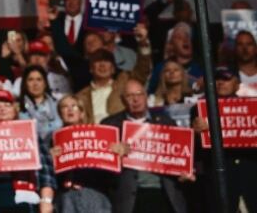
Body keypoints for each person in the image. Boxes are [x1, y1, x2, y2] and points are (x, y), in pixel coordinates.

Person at [101, 79, 189, 212]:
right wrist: (112, 154)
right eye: (130, 96)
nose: (136, 100)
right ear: (122, 100)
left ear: (146, 96)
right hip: (129, 198)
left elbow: (181, 157)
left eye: (139, 94)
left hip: (164, 193)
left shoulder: (165, 121)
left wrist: (185, 171)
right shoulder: (110, 125)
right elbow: (100, 164)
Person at [0, 89, 56, 213]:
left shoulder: (29, 132)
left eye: (7, 105)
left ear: (15, 109)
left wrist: (46, 201)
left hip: (26, 196)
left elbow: (46, 173)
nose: (2, 109)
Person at [191, 66, 257, 212]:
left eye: (226, 78)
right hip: (219, 181)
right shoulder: (198, 109)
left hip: (251, 178)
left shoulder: (253, 107)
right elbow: (196, 154)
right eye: (216, 79)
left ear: (237, 84)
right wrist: (197, 135)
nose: (220, 82)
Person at [49, 95, 116, 212]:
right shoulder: (52, 139)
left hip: (94, 193)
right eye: (65, 107)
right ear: (60, 114)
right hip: (66, 196)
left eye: (74, 106)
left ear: (82, 113)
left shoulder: (98, 134)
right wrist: (50, 159)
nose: (70, 110)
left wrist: (115, 152)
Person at [147, 22, 202, 94]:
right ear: (172, 44)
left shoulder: (203, 67)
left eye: (187, 36)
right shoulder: (161, 68)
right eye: (179, 37)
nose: (185, 40)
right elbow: (151, 94)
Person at [19, 64, 63, 144]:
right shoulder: (19, 110)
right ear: (25, 84)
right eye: (30, 80)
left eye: (39, 79)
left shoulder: (59, 106)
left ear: (45, 83)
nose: (35, 83)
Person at [147, 60, 196, 128]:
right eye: (167, 70)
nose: (172, 72)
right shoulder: (152, 100)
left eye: (176, 70)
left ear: (182, 74)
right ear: (163, 76)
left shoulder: (194, 97)